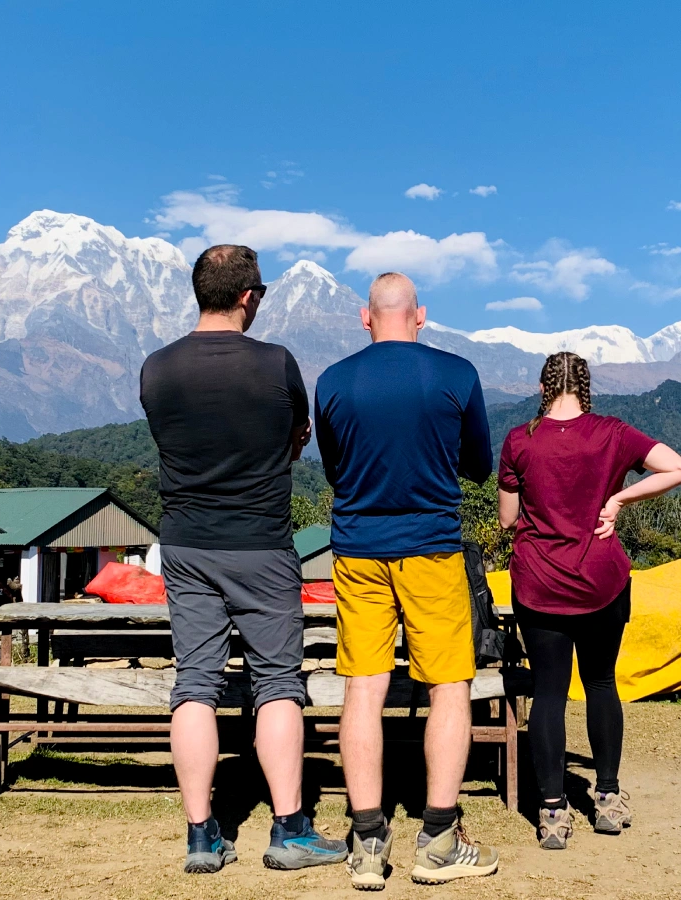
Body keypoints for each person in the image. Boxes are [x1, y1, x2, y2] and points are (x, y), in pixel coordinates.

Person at [140, 244, 347, 874]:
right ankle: (290, 830)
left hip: (185, 543)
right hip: (262, 544)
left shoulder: (156, 368)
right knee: (278, 684)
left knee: (195, 684)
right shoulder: (276, 363)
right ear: (247, 295)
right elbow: (295, 440)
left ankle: (201, 835)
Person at [314, 272, 497, 889]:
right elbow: (479, 465)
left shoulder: (333, 381)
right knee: (448, 686)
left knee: (363, 688)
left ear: (365, 318)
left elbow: (336, 469)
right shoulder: (457, 374)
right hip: (432, 549)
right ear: (420, 316)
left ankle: (367, 841)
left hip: (357, 550)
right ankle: (439, 839)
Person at [497, 351, 681, 850]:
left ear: (543, 388)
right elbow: (678, 469)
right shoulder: (613, 433)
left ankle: (551, 811)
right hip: (602, 580)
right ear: (586, 389)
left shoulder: (519, 440)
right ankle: (606, 797)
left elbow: (506, 519)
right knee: (601, 684)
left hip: (539, 582)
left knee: (549, 693)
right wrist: (619, 499)